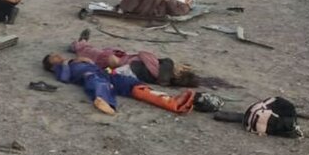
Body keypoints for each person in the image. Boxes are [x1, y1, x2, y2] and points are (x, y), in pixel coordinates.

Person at [42, 53, 195, 116]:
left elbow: (95, 65)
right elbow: (64, 78)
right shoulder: (60, 68)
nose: (58, 56)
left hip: (105, 73)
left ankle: (172, 102)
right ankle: (105, 102)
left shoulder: (73, 61)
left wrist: (86, 60)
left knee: (132, 85)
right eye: (54, 57)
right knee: (98, 83)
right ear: (51, 66)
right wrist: (66, 63)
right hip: (90, 75)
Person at [69, 28, 200, 87]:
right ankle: (82, 45)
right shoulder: (164, 78)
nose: (180, 67)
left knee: (98, 54)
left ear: (178, 74)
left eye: (182, 69)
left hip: (120, 64)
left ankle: (79, 45)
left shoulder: (163, 67)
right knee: (103, 53)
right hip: (124, 65)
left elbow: (144, 54)